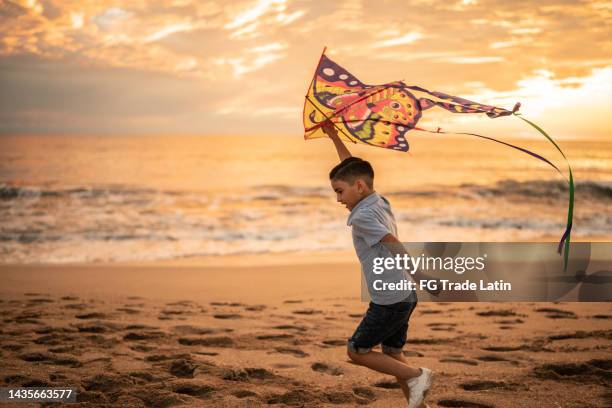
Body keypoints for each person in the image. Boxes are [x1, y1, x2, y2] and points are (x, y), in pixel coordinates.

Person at [322, 120, 434, 408]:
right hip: (405, 295)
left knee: (356, 350)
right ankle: (418, 404)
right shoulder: (376, 200)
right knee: (392, 352)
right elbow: (351, 166)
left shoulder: (362, 216)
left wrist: (419, 274)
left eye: (339, 191)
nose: (338, 199)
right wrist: (334, 135)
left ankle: (417, 375)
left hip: (389, 299)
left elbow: (391, 242)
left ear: (358, 187)